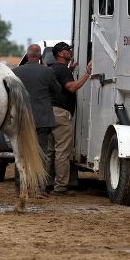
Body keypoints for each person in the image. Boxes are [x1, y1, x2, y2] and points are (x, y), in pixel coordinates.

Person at [12, 44, 62, 198]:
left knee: (20, 153)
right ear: (40, 56)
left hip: (21, 120)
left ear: (27, 56)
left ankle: (20, 187)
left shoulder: (15, 72)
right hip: (42, 119)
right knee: (41, 154)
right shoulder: (47, 71)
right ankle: (40, 188)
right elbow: (58, 91)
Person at [48, 42, 91, 195]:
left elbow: (59, 84)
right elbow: (71, 87)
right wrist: (87, 73)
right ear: (60, 53)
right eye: (67, 50)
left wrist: (70, 71)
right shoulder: (61, 70)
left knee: (50, 151)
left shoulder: (53, 69)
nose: (70, 52)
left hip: (49, 114)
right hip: (61, 114)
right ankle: (60, 188)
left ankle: (46, 184)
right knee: (62, 152)